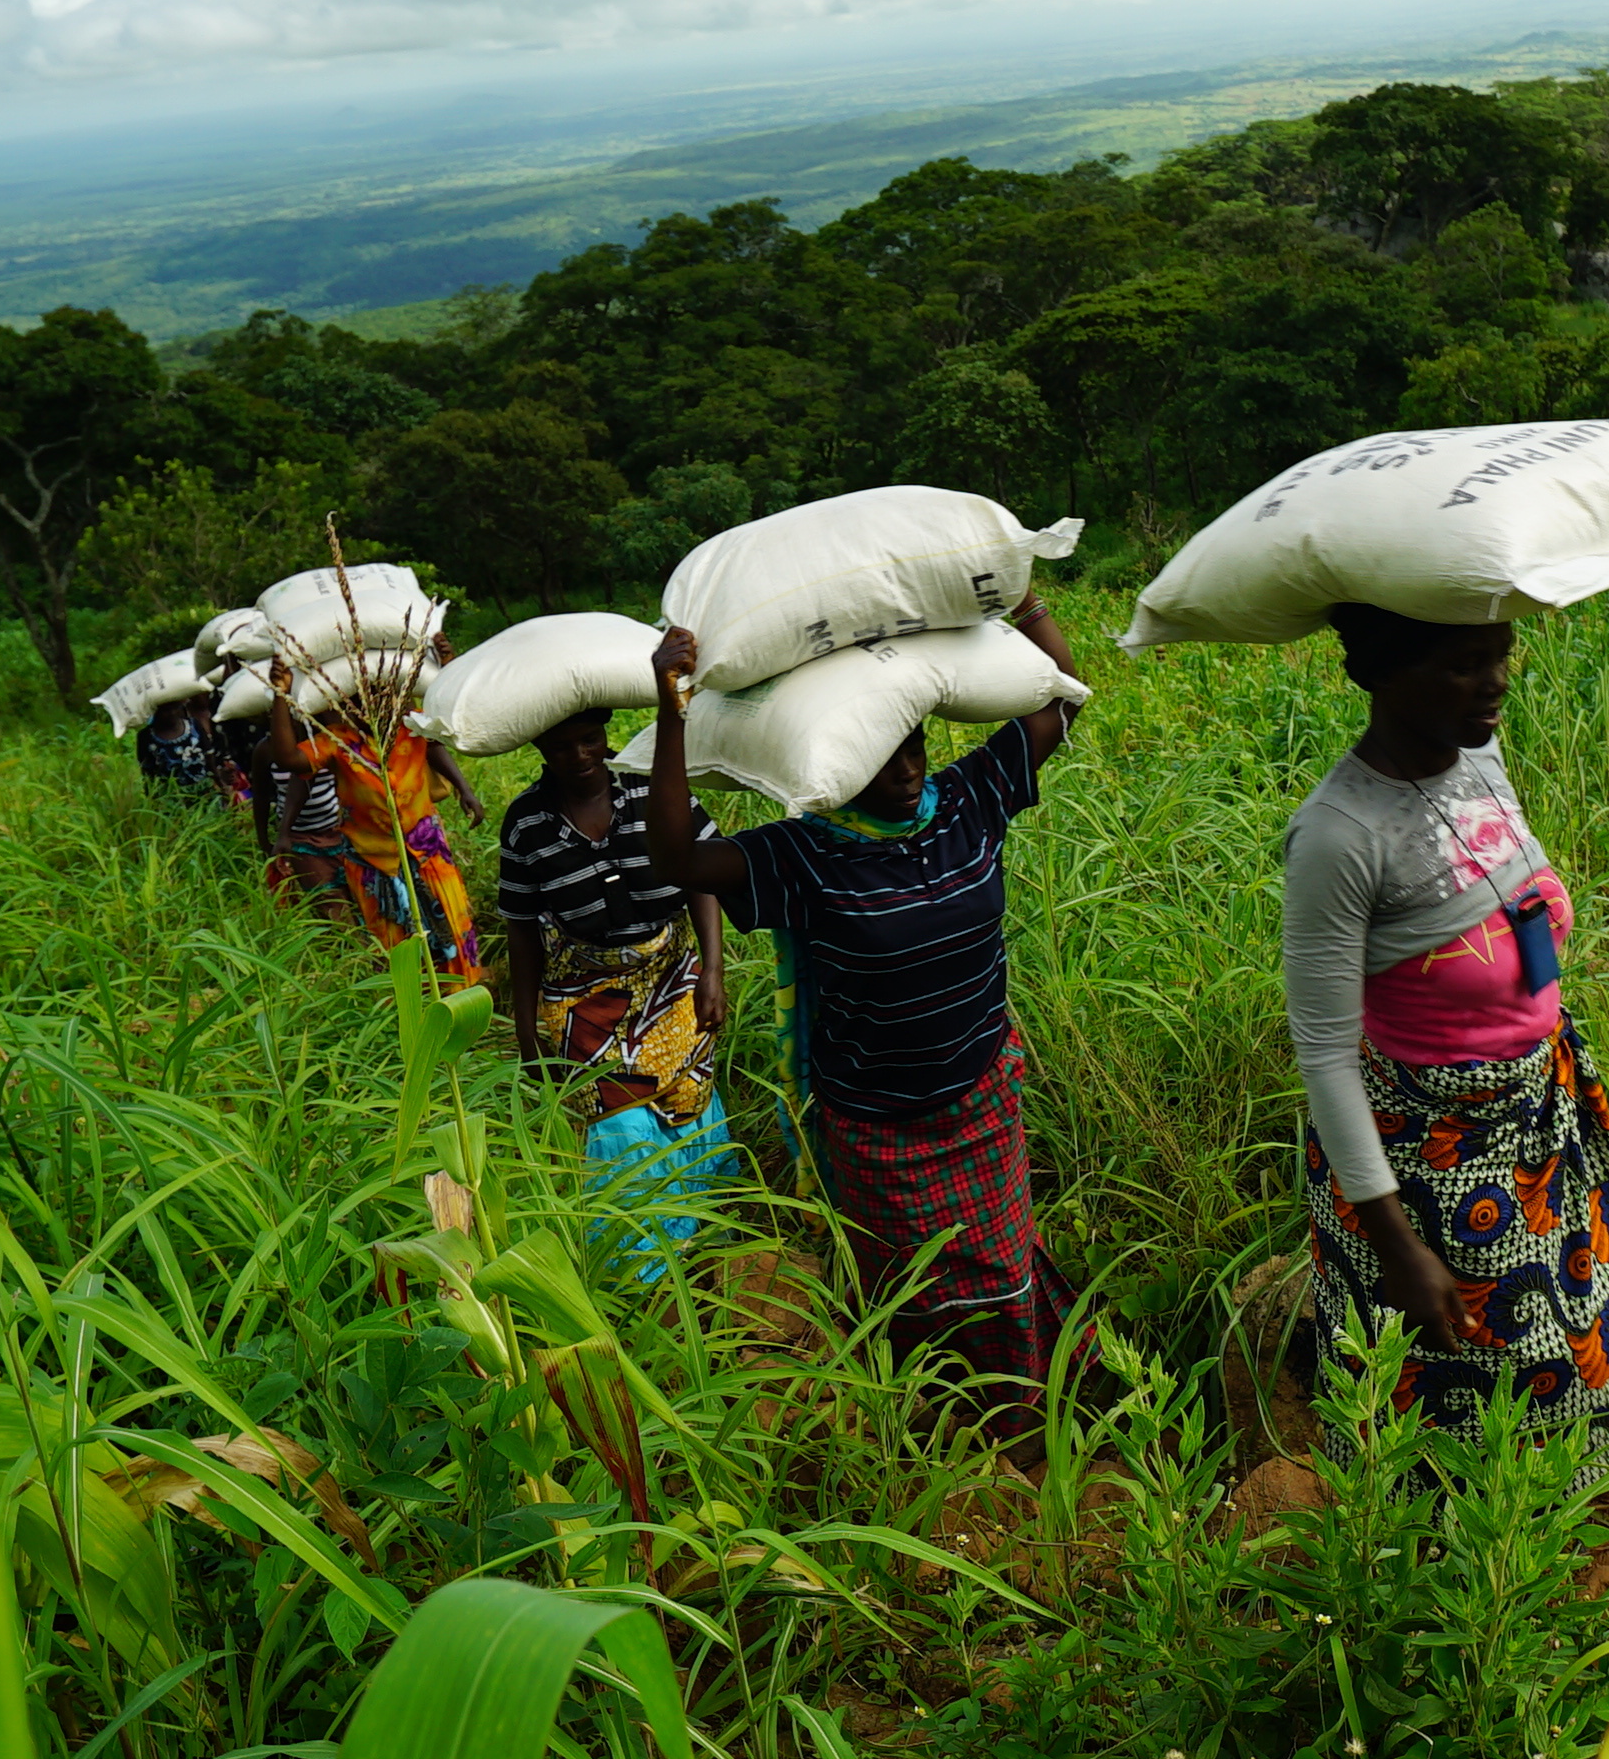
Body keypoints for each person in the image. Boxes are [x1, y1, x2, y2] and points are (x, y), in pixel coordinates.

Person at [641, 596, 1081, 1452]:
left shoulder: (970, 800)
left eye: (914, 742)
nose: (908, 767)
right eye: (881, 751)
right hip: (877, 1124)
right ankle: (932, 1441)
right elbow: (677, 858)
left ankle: (1025, 1431)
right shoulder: (803, 851)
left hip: (982, 1096)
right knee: (908, 1292)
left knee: (999, 1272)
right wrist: (670, 712)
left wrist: (1024, 606)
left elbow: (1061, 700)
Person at [1280, 601, 1609, 1454]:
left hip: (1544, 1100)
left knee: (1579, 1323)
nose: (1495, 681)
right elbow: (1322, 1050)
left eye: (1499, 654)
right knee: (1469, 1377)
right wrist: (1395, 1243)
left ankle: (1559, 1519)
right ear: (1375, 674)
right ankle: (1446, 1559)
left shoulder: (1479, 756)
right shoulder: (1339, 835)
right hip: (1432, 1159)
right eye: (1462, 663)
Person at [502, 707, 737, 1250]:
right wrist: (524, 1023)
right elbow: (521, 927)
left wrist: (712, 971)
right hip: (586, 994)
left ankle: (701, 1227)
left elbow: (702, 876)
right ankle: (641, 1260)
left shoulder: (652, 791)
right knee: (617, 1124)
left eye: (590, 740)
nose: (581, 756)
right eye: (562, 747)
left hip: (672, 978)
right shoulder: (526, 823)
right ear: (539, 749)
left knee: (686, 1101)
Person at [268, 677, 487, 980]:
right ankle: (413, 1013)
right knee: (394, 944)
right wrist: (281, 693)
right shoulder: (338, 741)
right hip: (372, 863)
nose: (365, 707)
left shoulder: (412, 725)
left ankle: (463, 995)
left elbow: (436, 745)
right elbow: (290, 760)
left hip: (427, 852)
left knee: (453, 922)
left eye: (372, 697)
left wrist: (465, 790)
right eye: (355, 701)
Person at [134, 686, 246, 809]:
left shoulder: (193, 725)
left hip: (204, 792)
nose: (171, 713)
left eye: (174, 708)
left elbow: (209, 758)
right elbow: (147, 773)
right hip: (171, 799)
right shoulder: (146, 736)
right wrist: (152, 802)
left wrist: (220, 784)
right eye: (165, 710)